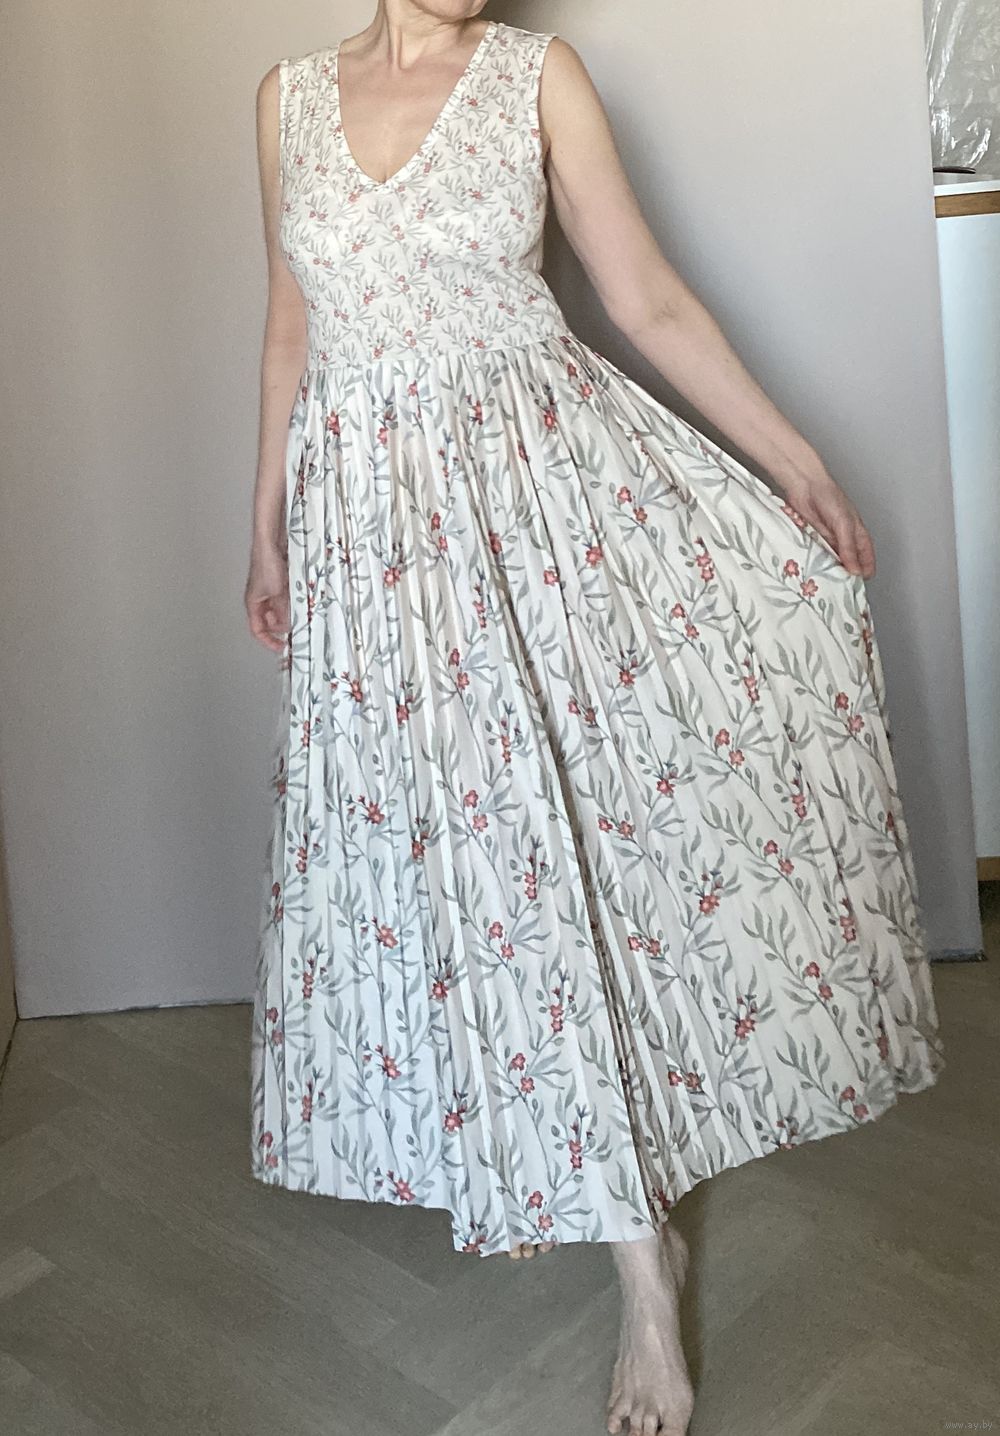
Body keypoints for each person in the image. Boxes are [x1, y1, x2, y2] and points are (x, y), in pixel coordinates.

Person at [245, 5, 945, 1433]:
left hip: (539, 513)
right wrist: (263, 526)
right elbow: (289, 328)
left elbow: (647, 301)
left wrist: (797, 464)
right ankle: (553, 1168)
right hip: (375, 546)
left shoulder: (535, 76)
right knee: (476, 884)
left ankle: (640, 1269)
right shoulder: (282, 103)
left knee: (565, 873)